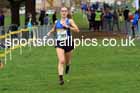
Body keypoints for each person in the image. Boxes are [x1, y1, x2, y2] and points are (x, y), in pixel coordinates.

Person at [47, 6, 79, 85]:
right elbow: (54, 29)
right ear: (60, 13)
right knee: (61, 60)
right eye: (62, 11)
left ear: (67, 12)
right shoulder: (57, 21)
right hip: (59, 42)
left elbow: (77, 30)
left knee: (67, 61)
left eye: (65, 11)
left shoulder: (70, 21)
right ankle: (60, 78)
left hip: (68, 42)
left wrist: (68, 27)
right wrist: (49, 32)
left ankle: (68, 66)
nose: (64, 12)